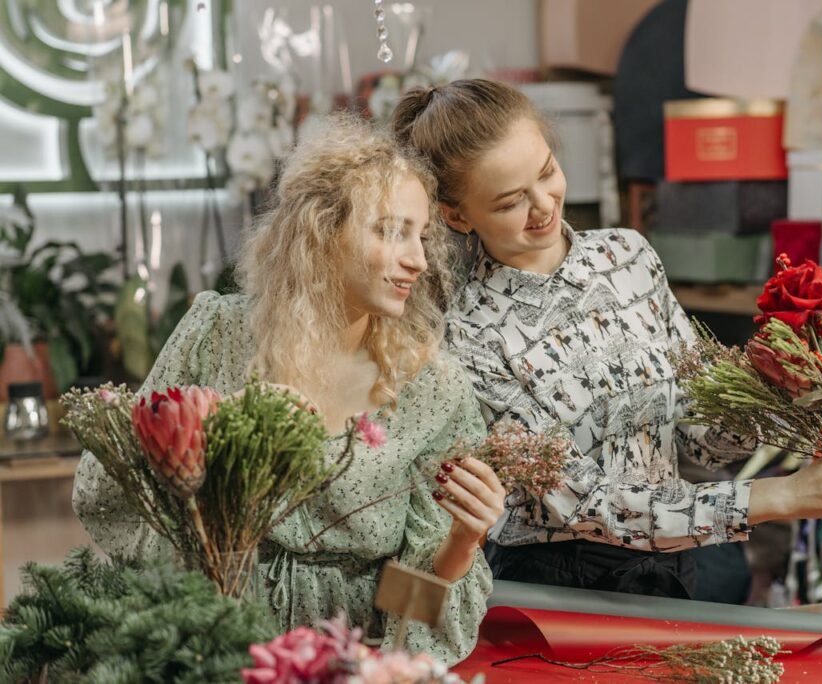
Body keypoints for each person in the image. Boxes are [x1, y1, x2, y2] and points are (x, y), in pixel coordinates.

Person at [391, 78, 822, 602]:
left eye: (547, 172)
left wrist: (771, 390)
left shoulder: (628, 257)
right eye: (509, 203)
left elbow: (698, 437)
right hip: (554, 588)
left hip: (672, 566)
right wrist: (786, 494)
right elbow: (593, 506)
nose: (544, 205)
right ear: (456, 215)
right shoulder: (468, 333)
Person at [73, 114, 505, 663]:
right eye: (392, 231)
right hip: (215, 646)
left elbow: (409, 613)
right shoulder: (216, 334)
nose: (418, 259)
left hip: (353, 659)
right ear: (322, 230)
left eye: (421, 236)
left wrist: (462, 544)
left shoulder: (430, 387)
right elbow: (115, 492)